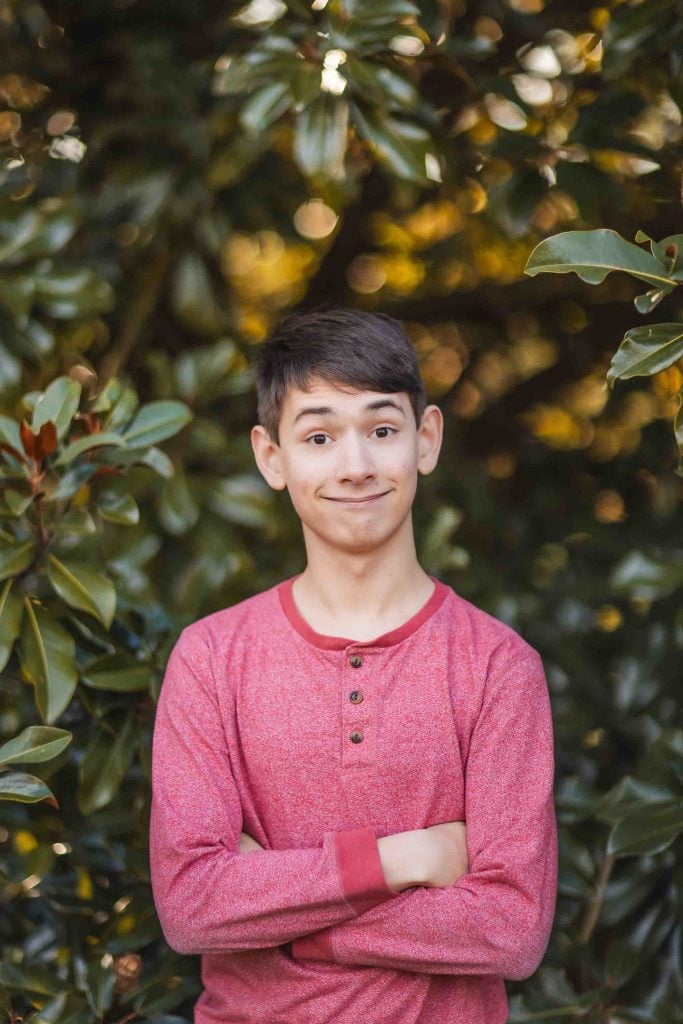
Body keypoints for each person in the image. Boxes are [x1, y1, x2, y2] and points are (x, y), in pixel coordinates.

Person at [148, 306, 558, 1024]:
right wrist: (400, 862)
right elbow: (190, 907)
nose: (356, 465)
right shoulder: (211, 658)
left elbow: (511, 928)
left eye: (381, 429)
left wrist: (273, 908)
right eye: (318, 436)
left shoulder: (498, 667)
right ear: (271, 457)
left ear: (424, 440)